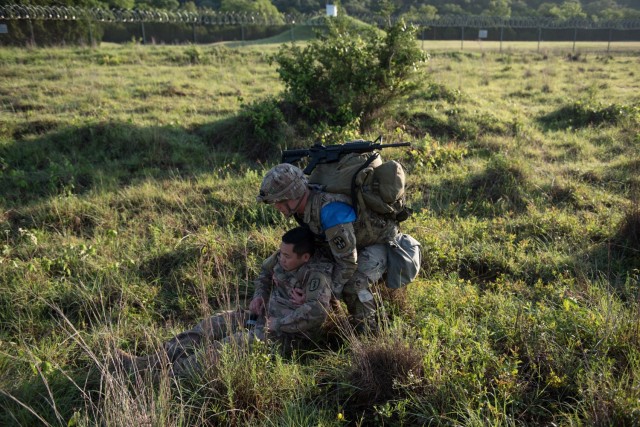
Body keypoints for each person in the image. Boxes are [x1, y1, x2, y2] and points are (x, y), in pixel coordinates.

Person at [115, 226, 333, 377]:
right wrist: (259, 295)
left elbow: (316, 312)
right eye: (281, 253)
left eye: (287, 256)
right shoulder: (282, 257)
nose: (281, 258)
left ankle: (168, 378)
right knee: (214, 325)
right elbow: (265, 275)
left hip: (286, 334)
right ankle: (150, 362)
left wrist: (277, 324)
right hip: (263, 317)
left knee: (228, 346)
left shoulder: (316, 275)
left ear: (304, 257)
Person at [256, 163, 400, 332]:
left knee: (353, 283)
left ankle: (370, 332)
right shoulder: (304, 207)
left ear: (293, 195)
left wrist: (320, 296)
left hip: (379, 242)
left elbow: (347, 263)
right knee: (299, 257)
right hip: (350, 243)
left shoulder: (330, 212)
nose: (277, 207)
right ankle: (329, 316)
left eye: (279, 201)